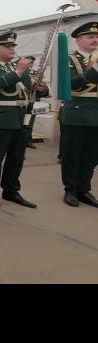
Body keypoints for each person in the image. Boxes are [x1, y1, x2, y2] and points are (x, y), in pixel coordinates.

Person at [0, 32, 46, 208]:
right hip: (2, 117)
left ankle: (11, 190)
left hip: (23, 116)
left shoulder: (16, 67)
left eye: (13, 46)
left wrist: (41, 89)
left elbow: (29, 90)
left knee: (17, 156)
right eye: (7, 46)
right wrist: (19, 71)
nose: (12, 49)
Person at [59, 21, 98, 208]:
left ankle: (84, 189)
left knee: (91, 155)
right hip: (77, 113)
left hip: (96, 115)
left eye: (97, 37)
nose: (95, 40)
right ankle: (71, 190)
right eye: (90, 36)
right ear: (78, 40)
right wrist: (95, 70)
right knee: (72, 154)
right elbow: (71, 84)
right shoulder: (69, 59)